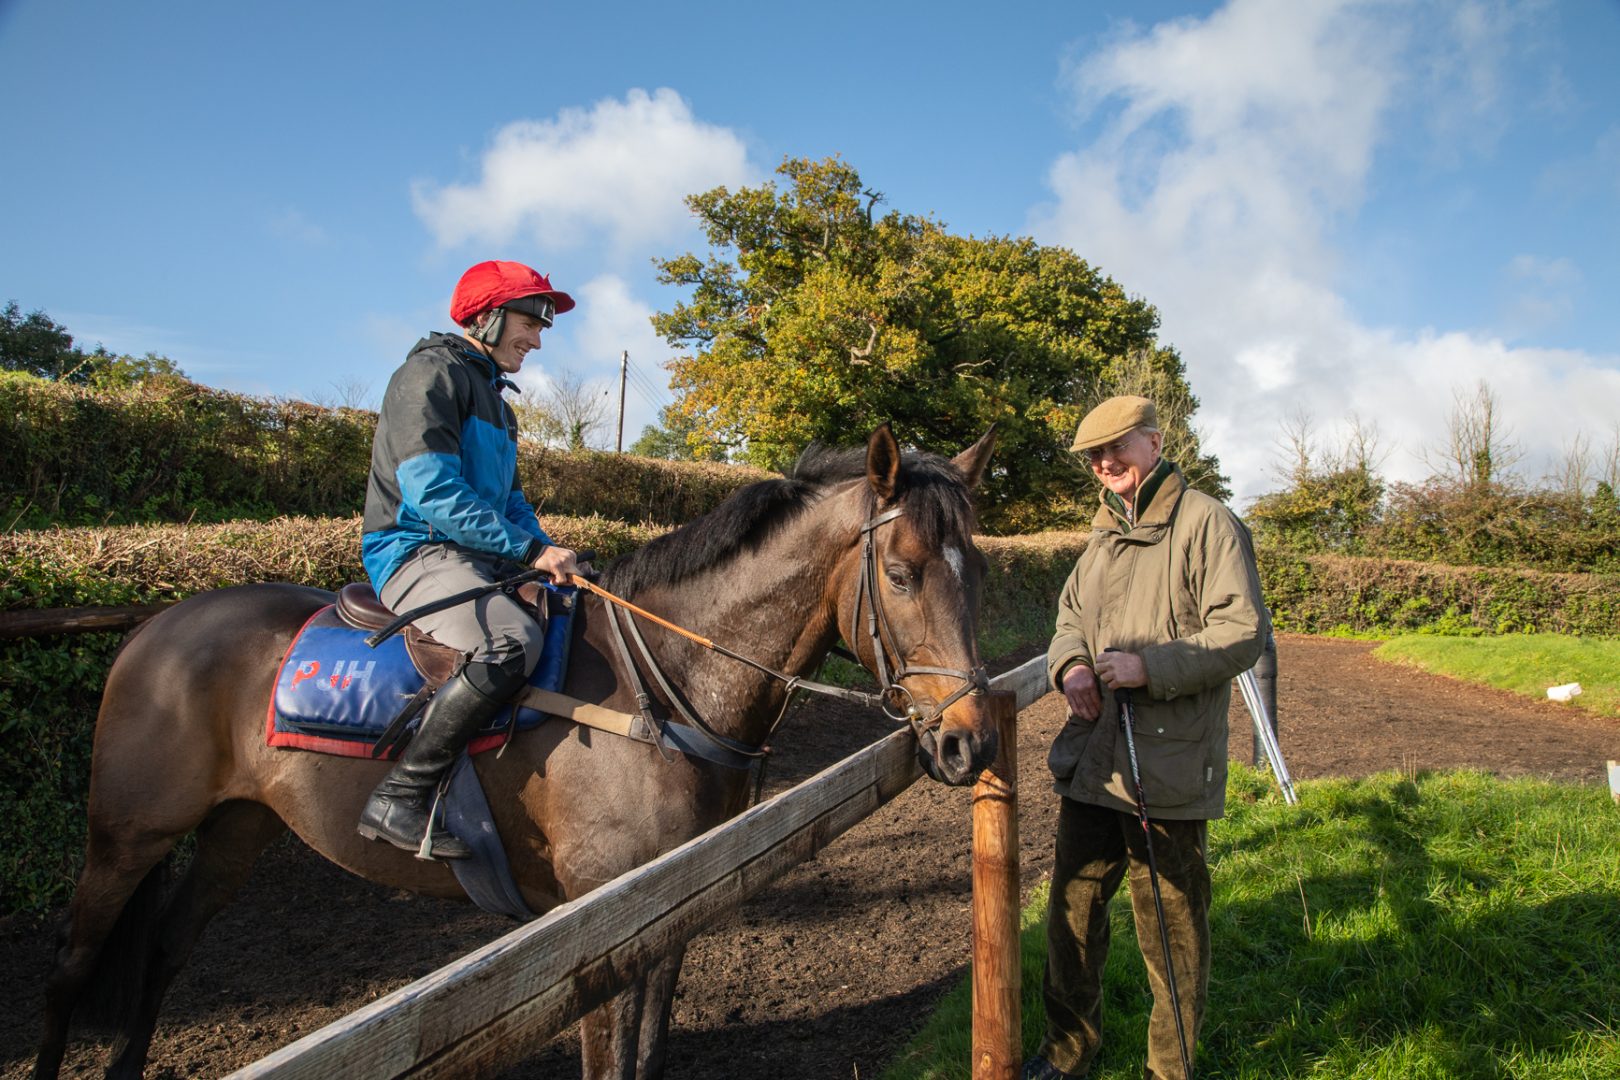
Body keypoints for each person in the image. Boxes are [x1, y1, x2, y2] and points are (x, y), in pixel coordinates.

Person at [1024, 396, 1268, 1080]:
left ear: (1154, 444)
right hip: (1093, 757)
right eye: (1094, 456)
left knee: (1171, 928)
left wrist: (1149, 668)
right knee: (1072, 912)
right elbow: (1069, 619)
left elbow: (1242, 631)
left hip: (1168, 763)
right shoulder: (1102, 534)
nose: (1105, 463)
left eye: (1118, 447)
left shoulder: (1207, 523)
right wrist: (1072, 667)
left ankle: (1170, 1068)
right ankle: (1067, 1050)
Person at [357, 259, 586, 860]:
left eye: (541, 329)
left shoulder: (500, 404)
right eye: (530, 324)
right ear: (486, 317)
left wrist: (552, 554)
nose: (537, 341)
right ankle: (399, 795)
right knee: (510, 641)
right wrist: (530, 550)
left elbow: (511, 502)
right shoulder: (428, 375)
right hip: (415, 551)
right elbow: (432, 491)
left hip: (480, 556)